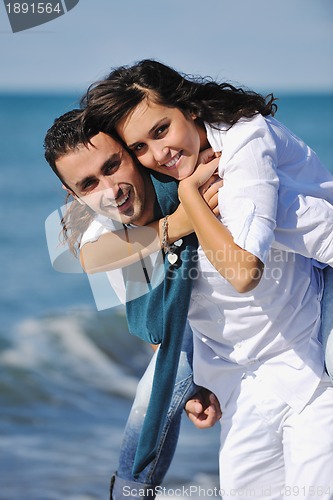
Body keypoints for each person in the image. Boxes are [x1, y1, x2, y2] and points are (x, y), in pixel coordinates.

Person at [77, 60, 333, 497]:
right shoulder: (143, 187)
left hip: (314, 319)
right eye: (138, 146)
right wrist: (180, 215)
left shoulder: (242, 146)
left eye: (161, 130)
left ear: (189, 109)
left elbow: (243, 273)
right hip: (243, 372)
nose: (159, 153)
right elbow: (92, 257)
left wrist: (191, 196)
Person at [44, 109, 222, 500]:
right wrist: (182, 221)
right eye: (89, 184)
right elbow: (151, 318)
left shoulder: (185, 175)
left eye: (113, 165)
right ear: (73, 196)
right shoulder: (107, 232)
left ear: (131, 150)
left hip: (274, 314)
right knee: (150, 400)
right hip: (202, 331)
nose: (111, 189)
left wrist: (190, 197)